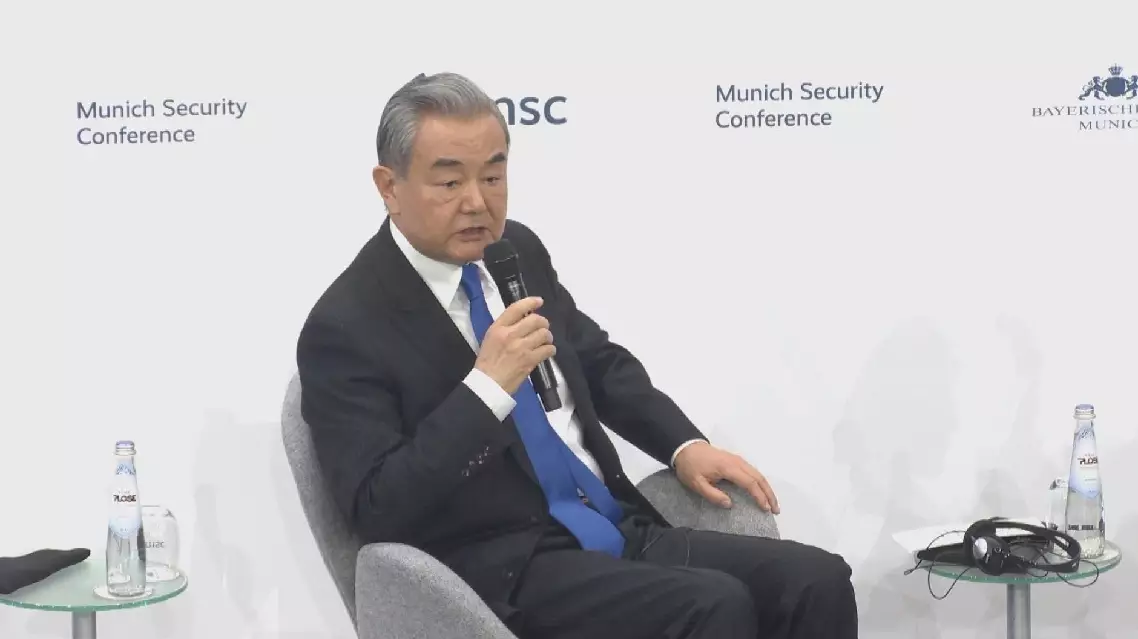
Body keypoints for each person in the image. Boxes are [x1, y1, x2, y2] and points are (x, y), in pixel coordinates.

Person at [296, 71, 857, 639]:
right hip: (505, 567)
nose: (477, 202)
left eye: (493, 176)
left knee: (816, 580)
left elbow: (595, 361)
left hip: (612, 524)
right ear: (389, 187)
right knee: (714, 605)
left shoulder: (514, 250)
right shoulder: (345, 327)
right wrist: (485, 389)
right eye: (449, 182)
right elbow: (377, 506)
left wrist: (683, 445)